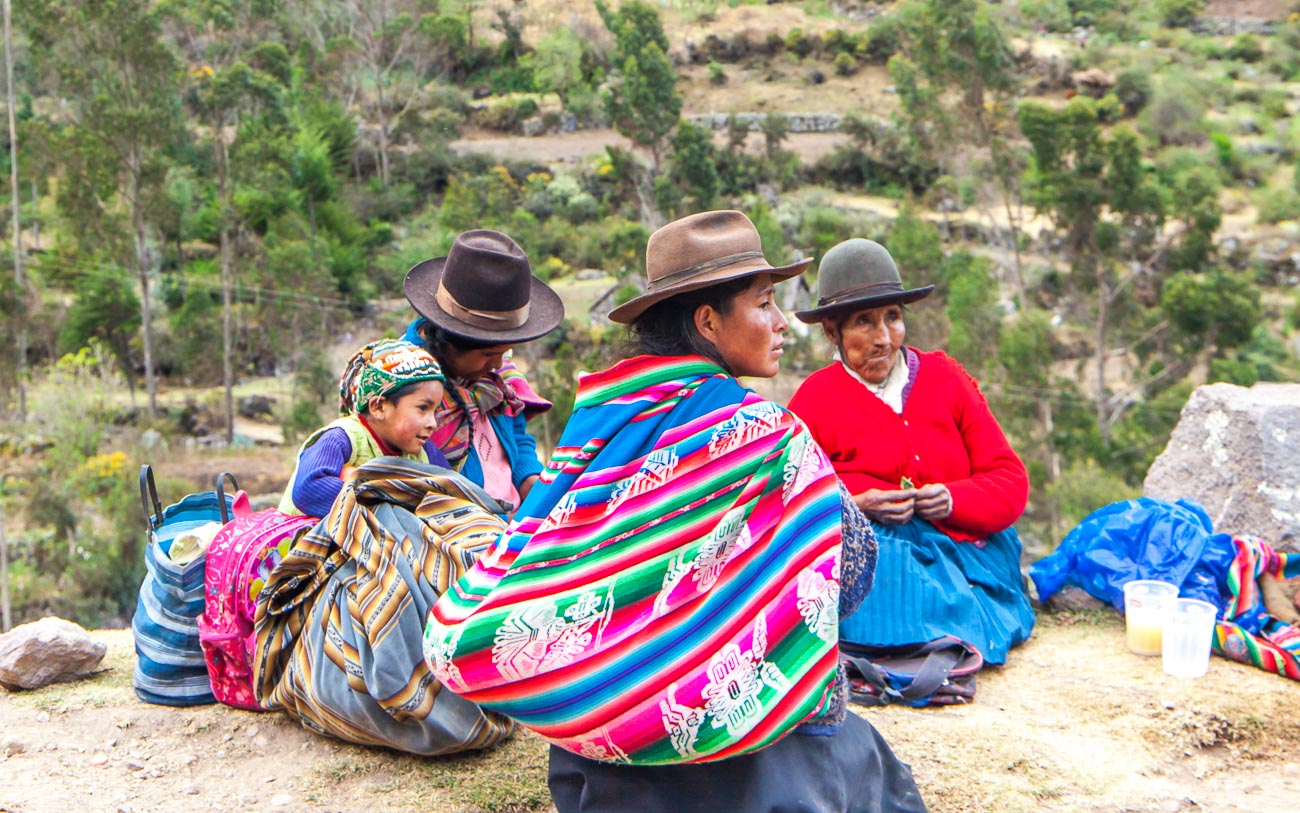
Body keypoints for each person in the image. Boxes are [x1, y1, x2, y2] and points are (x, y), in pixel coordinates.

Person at [423, 211, 927, 813]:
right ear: (709, 322)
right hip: (750, 761)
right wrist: (731, 617)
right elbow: (849, 573)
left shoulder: (601, 416)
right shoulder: (765, 435)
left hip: (599, 747)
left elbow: (537, 542)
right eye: (765, 303)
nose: (780, 321)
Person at [787, 238, 1035, 666]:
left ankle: (945, 633)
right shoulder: (815, 399)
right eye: (864, 322)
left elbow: (1009, 480)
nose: (884, 338)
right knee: (888, 586)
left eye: (893, 318)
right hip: (883, 557)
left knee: (963, 597)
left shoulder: (946, 377)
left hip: (964, 548)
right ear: (832, 330)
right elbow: (792, 496)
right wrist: (855, 505)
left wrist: (953, 499)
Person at [402, 229, 563, 515]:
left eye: (504, 353)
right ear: (448, 341)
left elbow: (517, 432)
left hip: (511, 525)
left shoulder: (493, 378)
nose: (499, 365)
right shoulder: (405, 387)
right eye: (489, 355)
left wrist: (529, 480)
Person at [278, 338, 451, 518]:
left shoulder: (423, 452)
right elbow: (308, 489)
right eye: (423, 408)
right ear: (379, 407)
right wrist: (390, 500)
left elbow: (453, 489)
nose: (433, 423)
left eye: (435, 411)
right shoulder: (342, 438)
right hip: (302, 540)